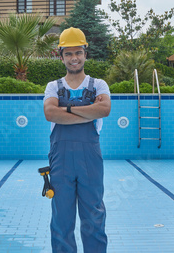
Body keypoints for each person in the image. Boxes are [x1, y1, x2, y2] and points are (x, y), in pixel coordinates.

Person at [43, 27, 111, 253]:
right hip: (61, 161)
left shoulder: (99, 84)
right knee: (61, 219)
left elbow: (104, 110)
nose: (74, 58)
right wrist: (86, 111)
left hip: (90, 161)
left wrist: (68, 108)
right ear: (61, 56)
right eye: (69, 54)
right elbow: (51, 114)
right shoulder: (53, 86)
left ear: (85, 54)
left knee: (93, 215)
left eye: (78, 53)